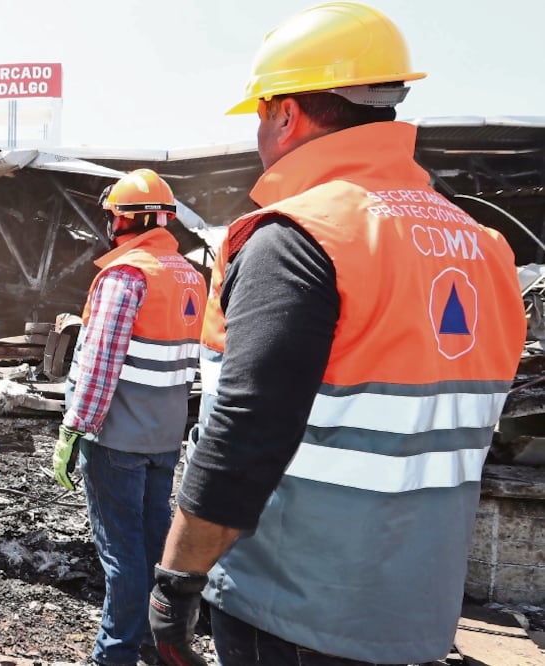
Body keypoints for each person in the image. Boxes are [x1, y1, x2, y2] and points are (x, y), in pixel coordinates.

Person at [147, 3, 527, 665]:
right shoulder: (486, 247)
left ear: (285, 114)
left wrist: (177, 581)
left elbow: (244, 430)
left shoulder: (301, 237)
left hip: (292, 608)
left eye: (261, 115)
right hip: (418, 607)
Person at [53, 168, 206, 666]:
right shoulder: (189, 276)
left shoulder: (126, 275)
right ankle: (155, 643)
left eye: (112, 216)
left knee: (121, 554)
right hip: (163, 439)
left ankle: (112, 654)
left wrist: (75, 429)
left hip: (117, 440)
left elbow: (100, 364)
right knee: (153, 544)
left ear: (124, 220)